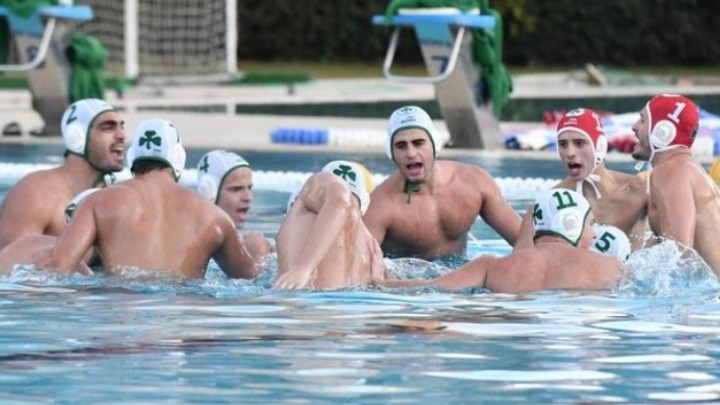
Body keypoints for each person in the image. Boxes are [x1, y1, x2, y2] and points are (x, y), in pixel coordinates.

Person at [44, 118, 261, 279]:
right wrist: (258, 252)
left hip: (119, 317)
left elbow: (58, 268)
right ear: (178, 158)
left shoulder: (97, 202)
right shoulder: (215, 216)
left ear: (132, 157)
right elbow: (249, 277)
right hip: (183, 317)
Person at [373, 189, 621, 293]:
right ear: (572, 223)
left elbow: (430, 288)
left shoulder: (490, 267)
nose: (594, 233)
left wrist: (379, 282)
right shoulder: (610, 268)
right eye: (590, 224)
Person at [363, 105, 521, 260]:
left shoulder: (474, 182)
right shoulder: (380, 206)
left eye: (418, 143)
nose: (410, 153)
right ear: (391, 152)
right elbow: (357, 268)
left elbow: (526, 242)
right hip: (407, 277)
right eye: (401, 146)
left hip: (463, 273)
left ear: (434, 144)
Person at [0, 98, 126, 250]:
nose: (121, 135)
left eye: (121, 126)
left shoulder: (120, 194)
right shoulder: (35, 193)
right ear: (77, 137)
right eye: (108, 127)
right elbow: (12, 259)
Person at [630, 93, 720, 277]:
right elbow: (666, 242)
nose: (634, 126)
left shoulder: (670, 172)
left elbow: (680, 255)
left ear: (662, 131)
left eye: (642, 119)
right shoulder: (690, 170)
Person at [274, 160, 385, 290]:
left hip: (302, 298)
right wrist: (381, 282)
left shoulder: (318, 184)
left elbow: (341, 203)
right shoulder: (371, 246)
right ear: (365, 203)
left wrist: (303, 268)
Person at [553, 108, 648, 250]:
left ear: (599, 146)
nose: (570, 153)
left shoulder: (639, 191)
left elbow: (675, 244)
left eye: (579, 143)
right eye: (563, 144)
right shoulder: (552, 201)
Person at [196, 149, 273, 257]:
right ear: (209, 193)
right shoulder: (197, 247)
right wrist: (259, 257)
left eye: (249, 188)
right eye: (236, 189)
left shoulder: (238, 242)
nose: (248, 197)